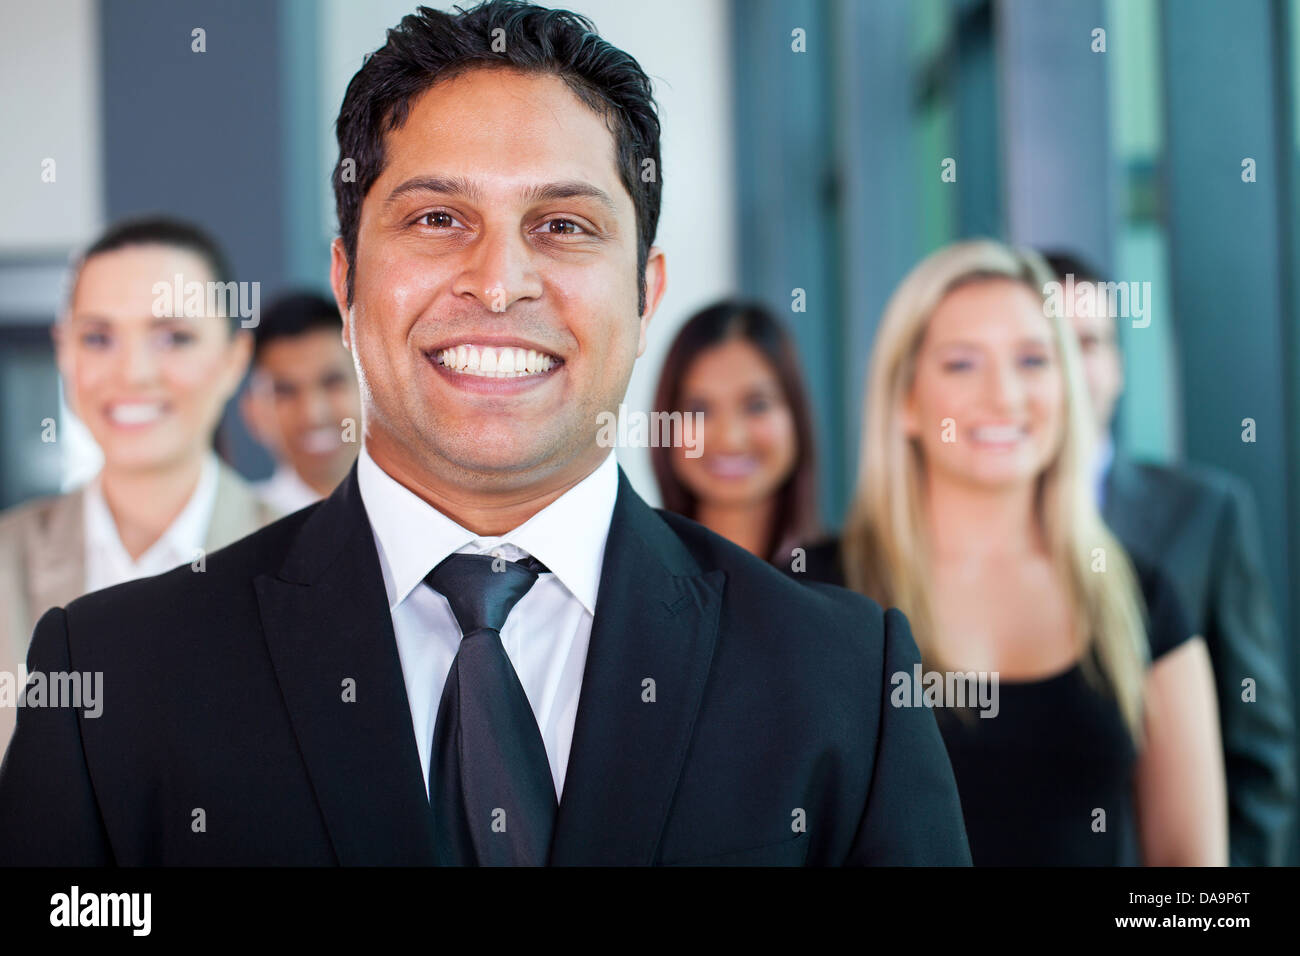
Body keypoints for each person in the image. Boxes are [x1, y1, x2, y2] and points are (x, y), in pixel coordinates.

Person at [0, 1, 970, 866]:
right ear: (345, 281)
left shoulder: (839, 676)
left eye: (561, 225)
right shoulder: (115, 679)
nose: (497, 282)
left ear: (646, 294)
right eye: (435, 217)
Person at [791, 240, 1226, 865]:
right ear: (908, 400)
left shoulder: (1141, 598)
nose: (1004, 396)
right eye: (963, 364)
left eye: (1032, 360)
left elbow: (1194, 883)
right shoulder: (815, 593)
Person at [1043, 250, 1296, 866]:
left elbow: (1257, 757)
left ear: (1120, 367)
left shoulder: (1206, 515)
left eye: (1091, 343)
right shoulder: (949, 540)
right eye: (1045, 346)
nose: (1073, 367)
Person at [0, 216, 279, 754]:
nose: (132, 373)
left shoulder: (316, 566)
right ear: (64, 352)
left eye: (173, 336)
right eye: (98, 337)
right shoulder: (7, 560)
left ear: (232, 359)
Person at [650, 300, 819, 564]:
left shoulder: (857, 582)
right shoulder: (628, 579)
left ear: (795, 414)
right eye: (698, 410)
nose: (730, 438)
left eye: (757, 405)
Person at [241, 291, 362, 513]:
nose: (313, 414)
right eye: (285, 391)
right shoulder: (232, 533)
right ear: (254, 412)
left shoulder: (427, 514)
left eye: (332, 382)